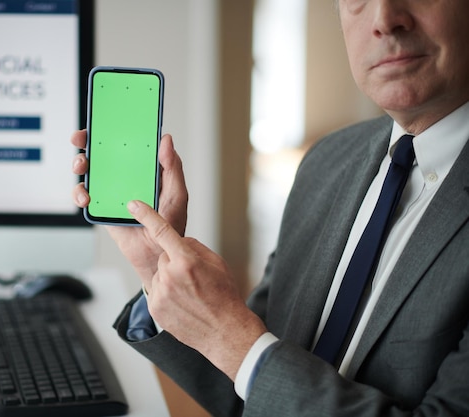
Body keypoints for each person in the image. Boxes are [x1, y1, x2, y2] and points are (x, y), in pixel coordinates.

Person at [71, 0, 469, 415]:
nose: (385, 20)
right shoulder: (327, 162)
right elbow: (248, 387)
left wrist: (232, 339)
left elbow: (246, 352)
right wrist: (159, 269)